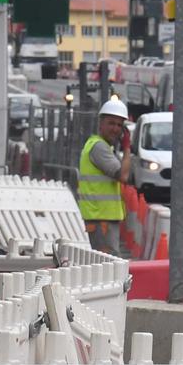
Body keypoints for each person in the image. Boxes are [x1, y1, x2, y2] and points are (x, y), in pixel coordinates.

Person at [79, 97, 132, 253]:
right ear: (101, 124)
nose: (115, 129)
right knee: (109, 267)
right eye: (111, 123)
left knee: (106, 267)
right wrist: (127, 147)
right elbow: (123, 176)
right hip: (101, 219)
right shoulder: (99, 147)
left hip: (101, 218)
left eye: (119, 125)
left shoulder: (100, 146)